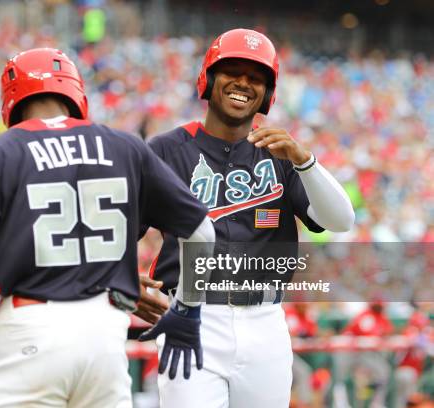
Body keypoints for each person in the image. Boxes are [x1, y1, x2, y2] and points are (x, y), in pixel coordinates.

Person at [0, 47, 215, 408]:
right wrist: (188, 310)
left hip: (28, 335)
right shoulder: (126, 146)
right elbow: (203, 231)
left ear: (11, 100)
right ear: (75, 91)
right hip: (105, 339)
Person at [140, 28, 355, 407]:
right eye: (232, 71)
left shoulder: (281, 153)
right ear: (208, 78)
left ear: (268, 93)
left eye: (256, 77)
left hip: (265, 319)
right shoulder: (166, 149)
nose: (243, 83)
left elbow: (341, 220)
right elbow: (119, 230)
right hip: (193, 316)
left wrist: (305, 161)